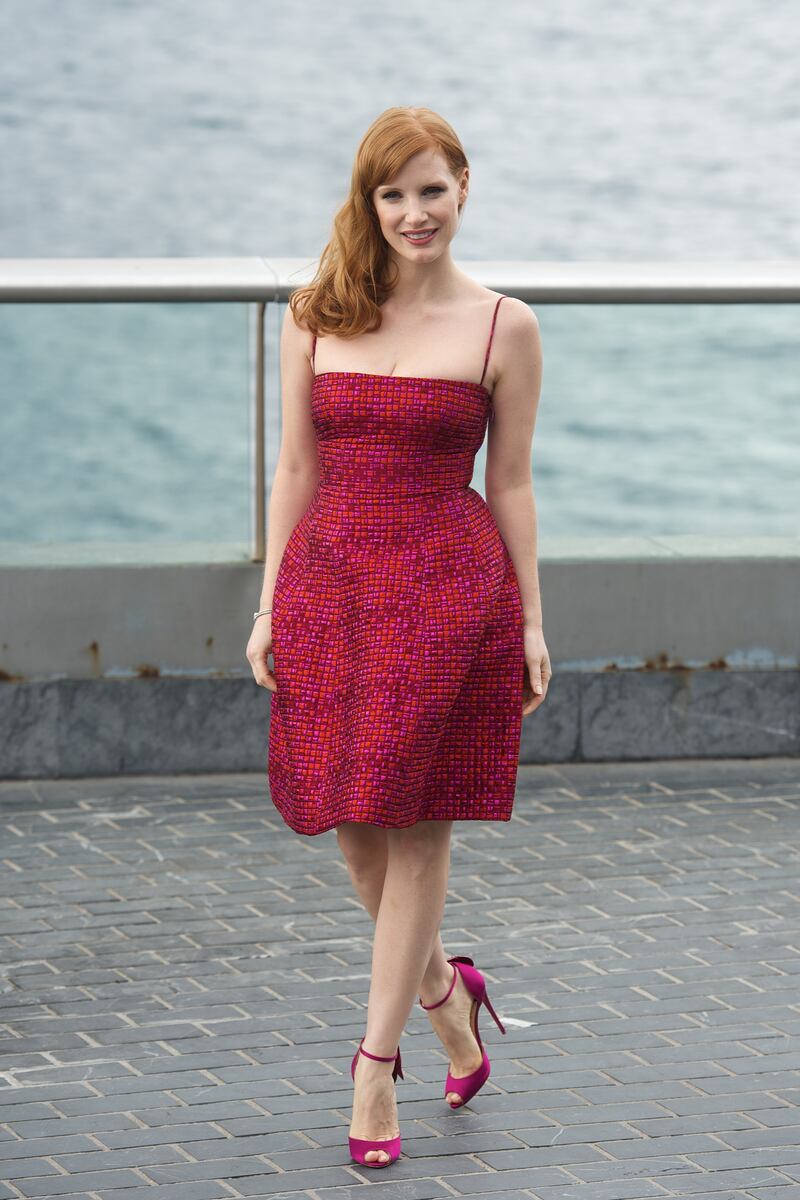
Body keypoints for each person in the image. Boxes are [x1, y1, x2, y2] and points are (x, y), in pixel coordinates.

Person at [246, 106, 549, 1168]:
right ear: (368, 203)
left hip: (448, 589)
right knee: (348, 812)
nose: (413, 212)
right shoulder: (315, 312)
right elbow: (294, 470)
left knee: (417, 821)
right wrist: (270, 598)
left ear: (463, 187)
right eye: (392, 193)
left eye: (431, 189)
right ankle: (444, 989)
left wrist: (532, 619)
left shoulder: (501, 325)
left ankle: (373, 1073)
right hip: (331, 586)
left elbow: (507, 480)